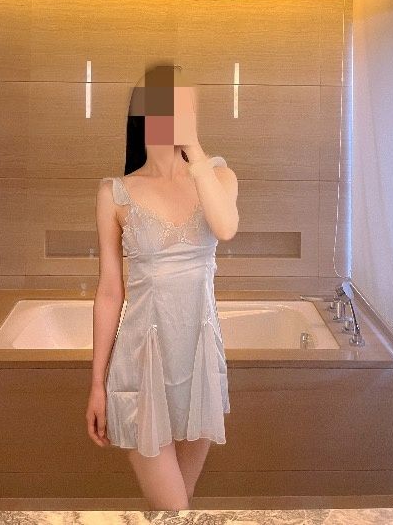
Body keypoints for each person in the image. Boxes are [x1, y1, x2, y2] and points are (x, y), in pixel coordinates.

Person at [86, 63, 239, 510]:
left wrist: (193, 149)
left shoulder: (218, 176)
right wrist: (97, 384)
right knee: (175, 510)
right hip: (141, 367)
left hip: (199, 363)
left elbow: (225, 227)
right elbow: (110, 291)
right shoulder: (115, 193)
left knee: (176, 509)